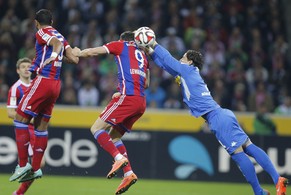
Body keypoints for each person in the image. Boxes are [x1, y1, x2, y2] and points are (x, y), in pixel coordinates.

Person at [144, 40, 288, 195]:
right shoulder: (188, 73)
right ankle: (276, 179)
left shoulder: (187, 70)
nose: (180, 60)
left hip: (217, 118)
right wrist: (151, 53)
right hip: (222, 114)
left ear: (190, 62)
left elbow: (168, 59)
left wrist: (154, 43)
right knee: (249, 146)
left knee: (239, 154)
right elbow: (166, 66)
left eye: (183, 58)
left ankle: (258, 191)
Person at [72, 31, 150, 194]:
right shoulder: (143, 55)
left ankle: (118, 158)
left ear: (122, 39)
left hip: (128, 98)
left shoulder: (119, 45)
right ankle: (128, 173)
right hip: (141, 102)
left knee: (96, 129)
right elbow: (146, 83)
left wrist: (78, 52)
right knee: (114, 137)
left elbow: (93, 52)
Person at [9, 9, 79, 183]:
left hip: (43, 80)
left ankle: (23, 164)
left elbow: (55, 44)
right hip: (56, 84)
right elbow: (74, 59)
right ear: (53, 21)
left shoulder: (43, 32)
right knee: (41, 127)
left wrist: (54, 55)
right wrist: (62, 55)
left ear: (36, 23)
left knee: (19, 118)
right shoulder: (61, 35)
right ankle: (36, 168)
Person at [7, 58, 43, 194]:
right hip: (26, 128)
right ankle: (19, 191)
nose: (27, 69)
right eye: (23, 67)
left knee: (39, 164)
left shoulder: (37, 85)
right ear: (18, 70)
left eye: (29, 66)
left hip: (38, 128)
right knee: (38, 163)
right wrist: (29, 119)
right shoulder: (16, 88)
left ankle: (19, 192)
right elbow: (10, 112)